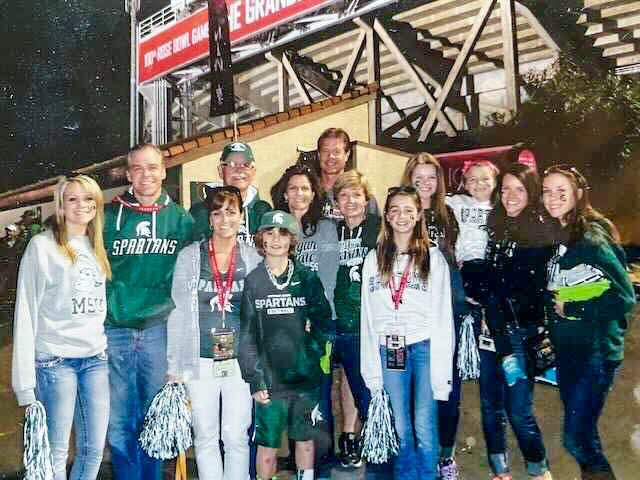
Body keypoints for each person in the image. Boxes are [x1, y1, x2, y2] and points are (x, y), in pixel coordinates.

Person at [104, 143, 194, 480]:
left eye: (152, 167)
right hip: (116, 328)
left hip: (159, 328)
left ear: (164, 171)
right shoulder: (109, 216)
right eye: (138, 168)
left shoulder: (180, 219)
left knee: (153, 415)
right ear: (128, 174)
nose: (146, 175)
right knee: (120, 418)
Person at [12, 175, 111, 480]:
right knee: (55, 453)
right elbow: (26, 312)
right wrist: (24, 385)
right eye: (72, 199)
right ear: (61, 205)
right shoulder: (42, 247)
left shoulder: (95, 245)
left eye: (88, 199)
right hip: (55, 362)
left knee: (93, 449)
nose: (81, 205)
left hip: (95, 359)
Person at [542, 166, 635, 480]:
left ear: (578, 194)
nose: (552, 198)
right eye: (547, 191)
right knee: (584, 432)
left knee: (575, 437)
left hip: (594, 352)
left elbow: (623, 297)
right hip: (569, 350)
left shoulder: (591, 237)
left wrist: (573, 307)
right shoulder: (559, 233)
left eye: (561, 191)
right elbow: (560, 288)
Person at [360, 186, 454, 480]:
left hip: (424, 347)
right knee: (400, 426)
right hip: (390, 350)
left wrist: (443, 373)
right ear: (386, 216)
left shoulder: (433, 258)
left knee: (425, 426)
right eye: (395, 210)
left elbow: (442, 315)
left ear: (418, 216)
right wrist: (371, 372)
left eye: (408, 211)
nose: (401, 216)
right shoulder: (373, 260)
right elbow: (368, 317)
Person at [167, 185, 261, 479]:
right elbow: (177, 311)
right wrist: (174, 365)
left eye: (231, 212)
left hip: (240, 361)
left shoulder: (253, 258)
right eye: (217, 213)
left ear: (241, 216)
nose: (224, 220)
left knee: (235, 437)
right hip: (200, 360)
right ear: (209, 219)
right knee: (205, 437)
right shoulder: (189, 257)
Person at [239, 210, 333, 480]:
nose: (276, 239)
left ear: (292, 240)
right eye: (270, 232)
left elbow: (324, 323)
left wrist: (311, 353)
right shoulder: (254, 281)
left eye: (283, 233)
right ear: (261, 238)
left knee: (304, 442)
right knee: (267, 449)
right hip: (269, 381)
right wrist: (255, 380)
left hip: (304, 379)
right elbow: (246, 336)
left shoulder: (307, 278)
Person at [483, 163, 554, 480]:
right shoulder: (495, 222)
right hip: (489, 328)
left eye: (519, 189)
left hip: (517, 334)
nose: (510, 196)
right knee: (490, 405)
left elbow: (522, 289)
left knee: (518, 410)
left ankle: (539, 470)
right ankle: (500, 470)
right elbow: (490, 282)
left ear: (531, 193)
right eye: (506, 188)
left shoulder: (538, 233)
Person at [270, 163, 339, 476]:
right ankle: (296, 460)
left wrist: (310, 318)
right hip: (281, 329)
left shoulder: (324, 228)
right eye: (293, 188)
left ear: (314, 193)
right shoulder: (275, 229)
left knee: (317, 400)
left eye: (305, 188)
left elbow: (328, 277)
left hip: (314, 328)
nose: (299, 194)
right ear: (285, 193)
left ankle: (319, 466)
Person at [401, 153, 463, 480]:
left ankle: (445, 455)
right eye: (418, 178)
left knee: (445, 385)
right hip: (410, 314)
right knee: (412, 386)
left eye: (431, 177)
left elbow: (454, 264)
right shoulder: (399, 213)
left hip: (444, 313)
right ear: (408, 180)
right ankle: (416, 453)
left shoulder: (446, 214)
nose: (425, 184)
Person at [332, 170, 380, 468]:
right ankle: (350, 437)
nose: (351, 201)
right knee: (348, 379)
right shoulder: (331, 232)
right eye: (344, 195)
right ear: (336, 201)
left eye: (356, 195)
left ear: (366, 199)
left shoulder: (378, 228)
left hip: (370, 320)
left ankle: (376, 439)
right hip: (341, 320)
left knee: (369, 384)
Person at [190, 141, 271, 245]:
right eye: (232, 164)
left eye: (246, 164)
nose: (239, 170)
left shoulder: (263, 213)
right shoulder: (201, 212)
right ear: (220, 170)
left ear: (253, 171)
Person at [445, 160, 499, 305]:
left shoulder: (500, 206)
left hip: (490, 265)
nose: (479, 183)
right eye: (473, 180)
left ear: (495, 182)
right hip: (465, 263)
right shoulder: (458, 201)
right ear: (466, 184)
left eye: (485, 179)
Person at [314, 128, 378, 220]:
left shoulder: (362, 197)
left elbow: (377, 230)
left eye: (336, 152)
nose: (330, 156)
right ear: (319, 155)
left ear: (347, 155)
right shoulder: (308, 193)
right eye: (325, 151)